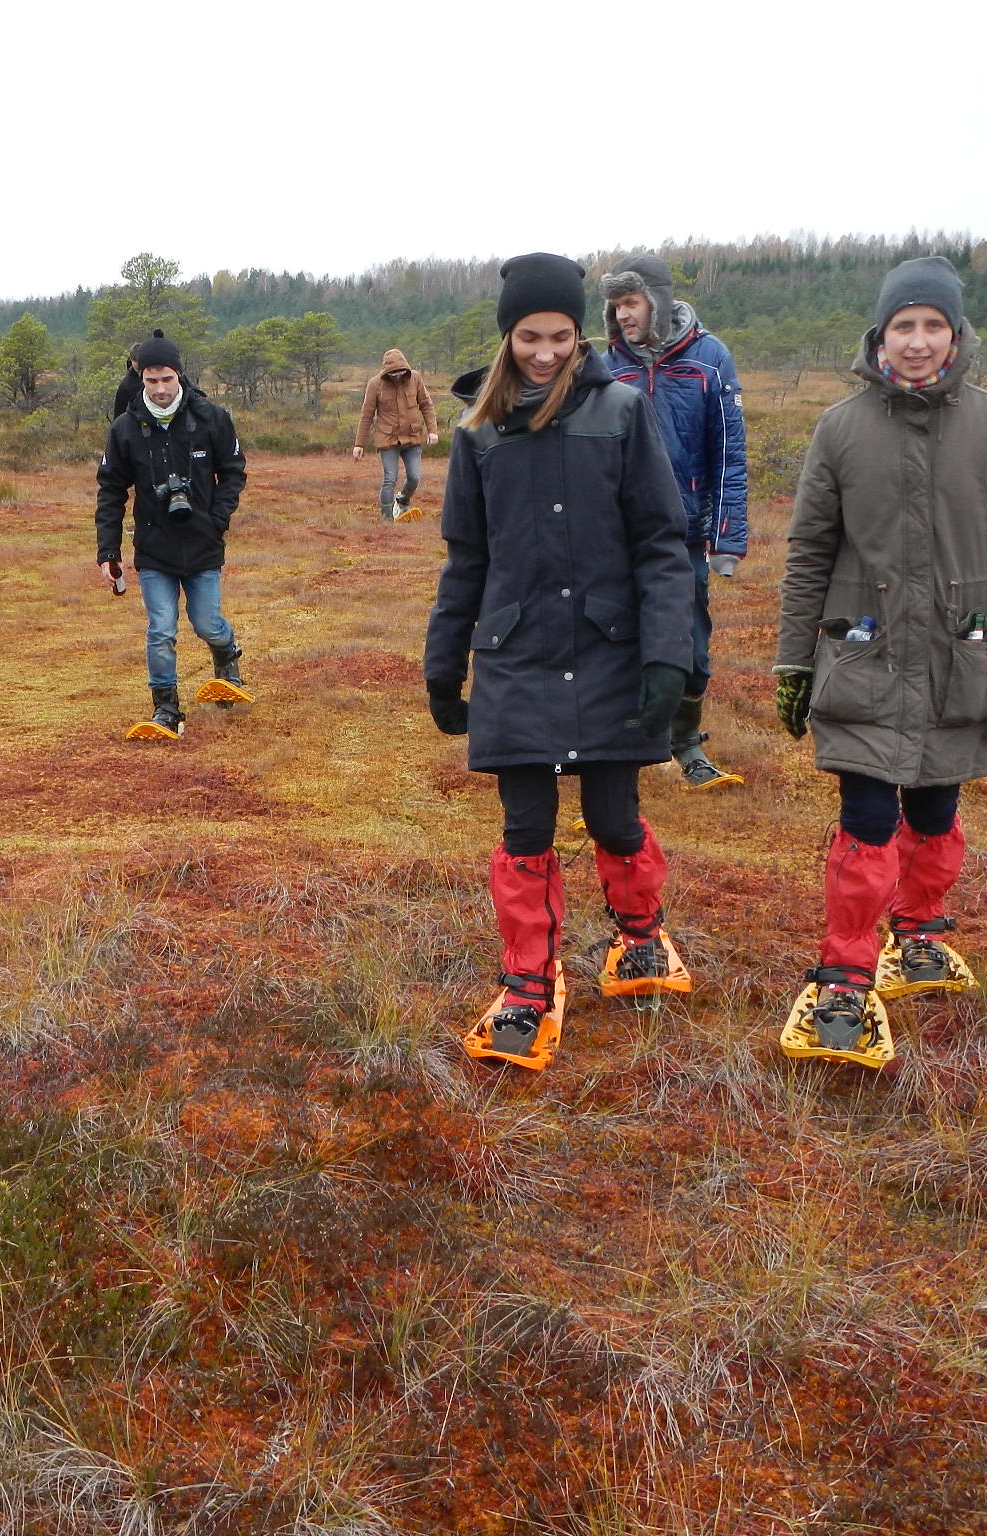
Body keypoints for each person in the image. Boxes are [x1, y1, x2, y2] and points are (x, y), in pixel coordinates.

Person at [424, 253, 697, 1070]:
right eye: (529, 336)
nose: (545, 352)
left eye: (561, 336)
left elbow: (660, 543)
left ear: (582, 336)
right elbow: (464, 556)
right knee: (525, 830)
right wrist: (445, 662)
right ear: (508, 337)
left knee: (615, 817)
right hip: (517, 655)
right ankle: (528, 982)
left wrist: (666, 659)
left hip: (610, 654)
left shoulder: (621, 411)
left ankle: (640, 937)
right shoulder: (478, 431)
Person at [772, 255, 987, 1064]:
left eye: (934, 326)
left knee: (932, 813)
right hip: (861, 653)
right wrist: (793, 664)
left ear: (956, 335)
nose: (918, 342)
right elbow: (808, 551)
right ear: (880, 336)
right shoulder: (841, 427)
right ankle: (846, 975)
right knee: (867, 817)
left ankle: (918, 931)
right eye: (903, 326)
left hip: (960, 656)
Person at [599, 252, 749, 790]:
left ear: (657, 301)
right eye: (615, 306)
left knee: (690, 644)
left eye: (632, 303)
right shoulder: (605, 365)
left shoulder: (710, 359)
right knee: (614, 638)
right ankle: (623, 745)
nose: (623, 316)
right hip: (615, 535)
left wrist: (726, 537)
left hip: (683, 535)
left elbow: (729, 453)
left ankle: (685, 744)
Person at [96, 330, 249, 739]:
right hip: (155, 548)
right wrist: (108, 551)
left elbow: (234, 472)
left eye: (167, 379)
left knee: (207, 624)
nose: (160, 389)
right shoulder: (125, 428)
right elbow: (111, 490)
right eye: (151, 380)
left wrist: (217, 519)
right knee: (161, 628)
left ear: (179, 375)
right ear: (140, 378)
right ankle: (166, 709)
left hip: (202, 544)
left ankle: (227, 659)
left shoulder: (211, 418)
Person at [351, 348, 440, 520]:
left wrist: (432, 430)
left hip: (412, 438)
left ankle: (403, 501)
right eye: (393, 373)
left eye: (400, 372)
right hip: (387, 440)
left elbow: (426, 405)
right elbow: (367, 415)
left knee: (414, 478)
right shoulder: (375, 384)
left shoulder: (415, 378)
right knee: (390, 479)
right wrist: (359, 444)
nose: (397, 376)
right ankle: (387, 520)